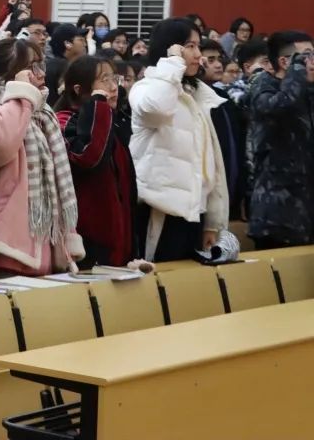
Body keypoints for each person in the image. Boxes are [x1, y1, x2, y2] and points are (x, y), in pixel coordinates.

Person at [0, 38, 83, 276]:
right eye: (32, 67)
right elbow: (0, 145)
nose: (40, 74)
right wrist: (20, 94)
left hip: (43, 247)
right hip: (4, 250)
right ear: (10, 74)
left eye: (42, 65)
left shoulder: (42, 114)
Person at [128, 18, 228, 262]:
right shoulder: (145, 88)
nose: (198, 54)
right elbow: (156, 108)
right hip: (157, 211)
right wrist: (172, 63)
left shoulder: (197, 95)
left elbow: (211, 162)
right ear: (170, 48)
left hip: (193, 213)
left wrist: (212, 222)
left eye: (198, 46)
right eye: (190, 46)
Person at [54, 56, 138, 266]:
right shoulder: (64, 121)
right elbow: (89, 158)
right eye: (104, 80)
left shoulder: (111, 123)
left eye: (114, 79)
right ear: (78, 89)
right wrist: (98, 104)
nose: (114, 87)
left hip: (119, 240)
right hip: (86, 242)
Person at [246, 31, 314, 249]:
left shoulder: (307, 92)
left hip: (306, 209)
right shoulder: (264, 86)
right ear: (285, 62)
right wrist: (298, 73)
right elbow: (279, 107)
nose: (312, 62)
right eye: (306, 56)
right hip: (276, 213)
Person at [200, 39, 249, 221]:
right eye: (211, 60)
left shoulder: (222, 96)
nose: (219, 65)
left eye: (219, 59)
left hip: (230, 187)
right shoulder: (191, 98)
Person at [45, 23, 88, 103]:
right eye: (81, 40)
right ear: (68, 44)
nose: (85, 44)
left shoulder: (55, 64)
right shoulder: (61, 67)